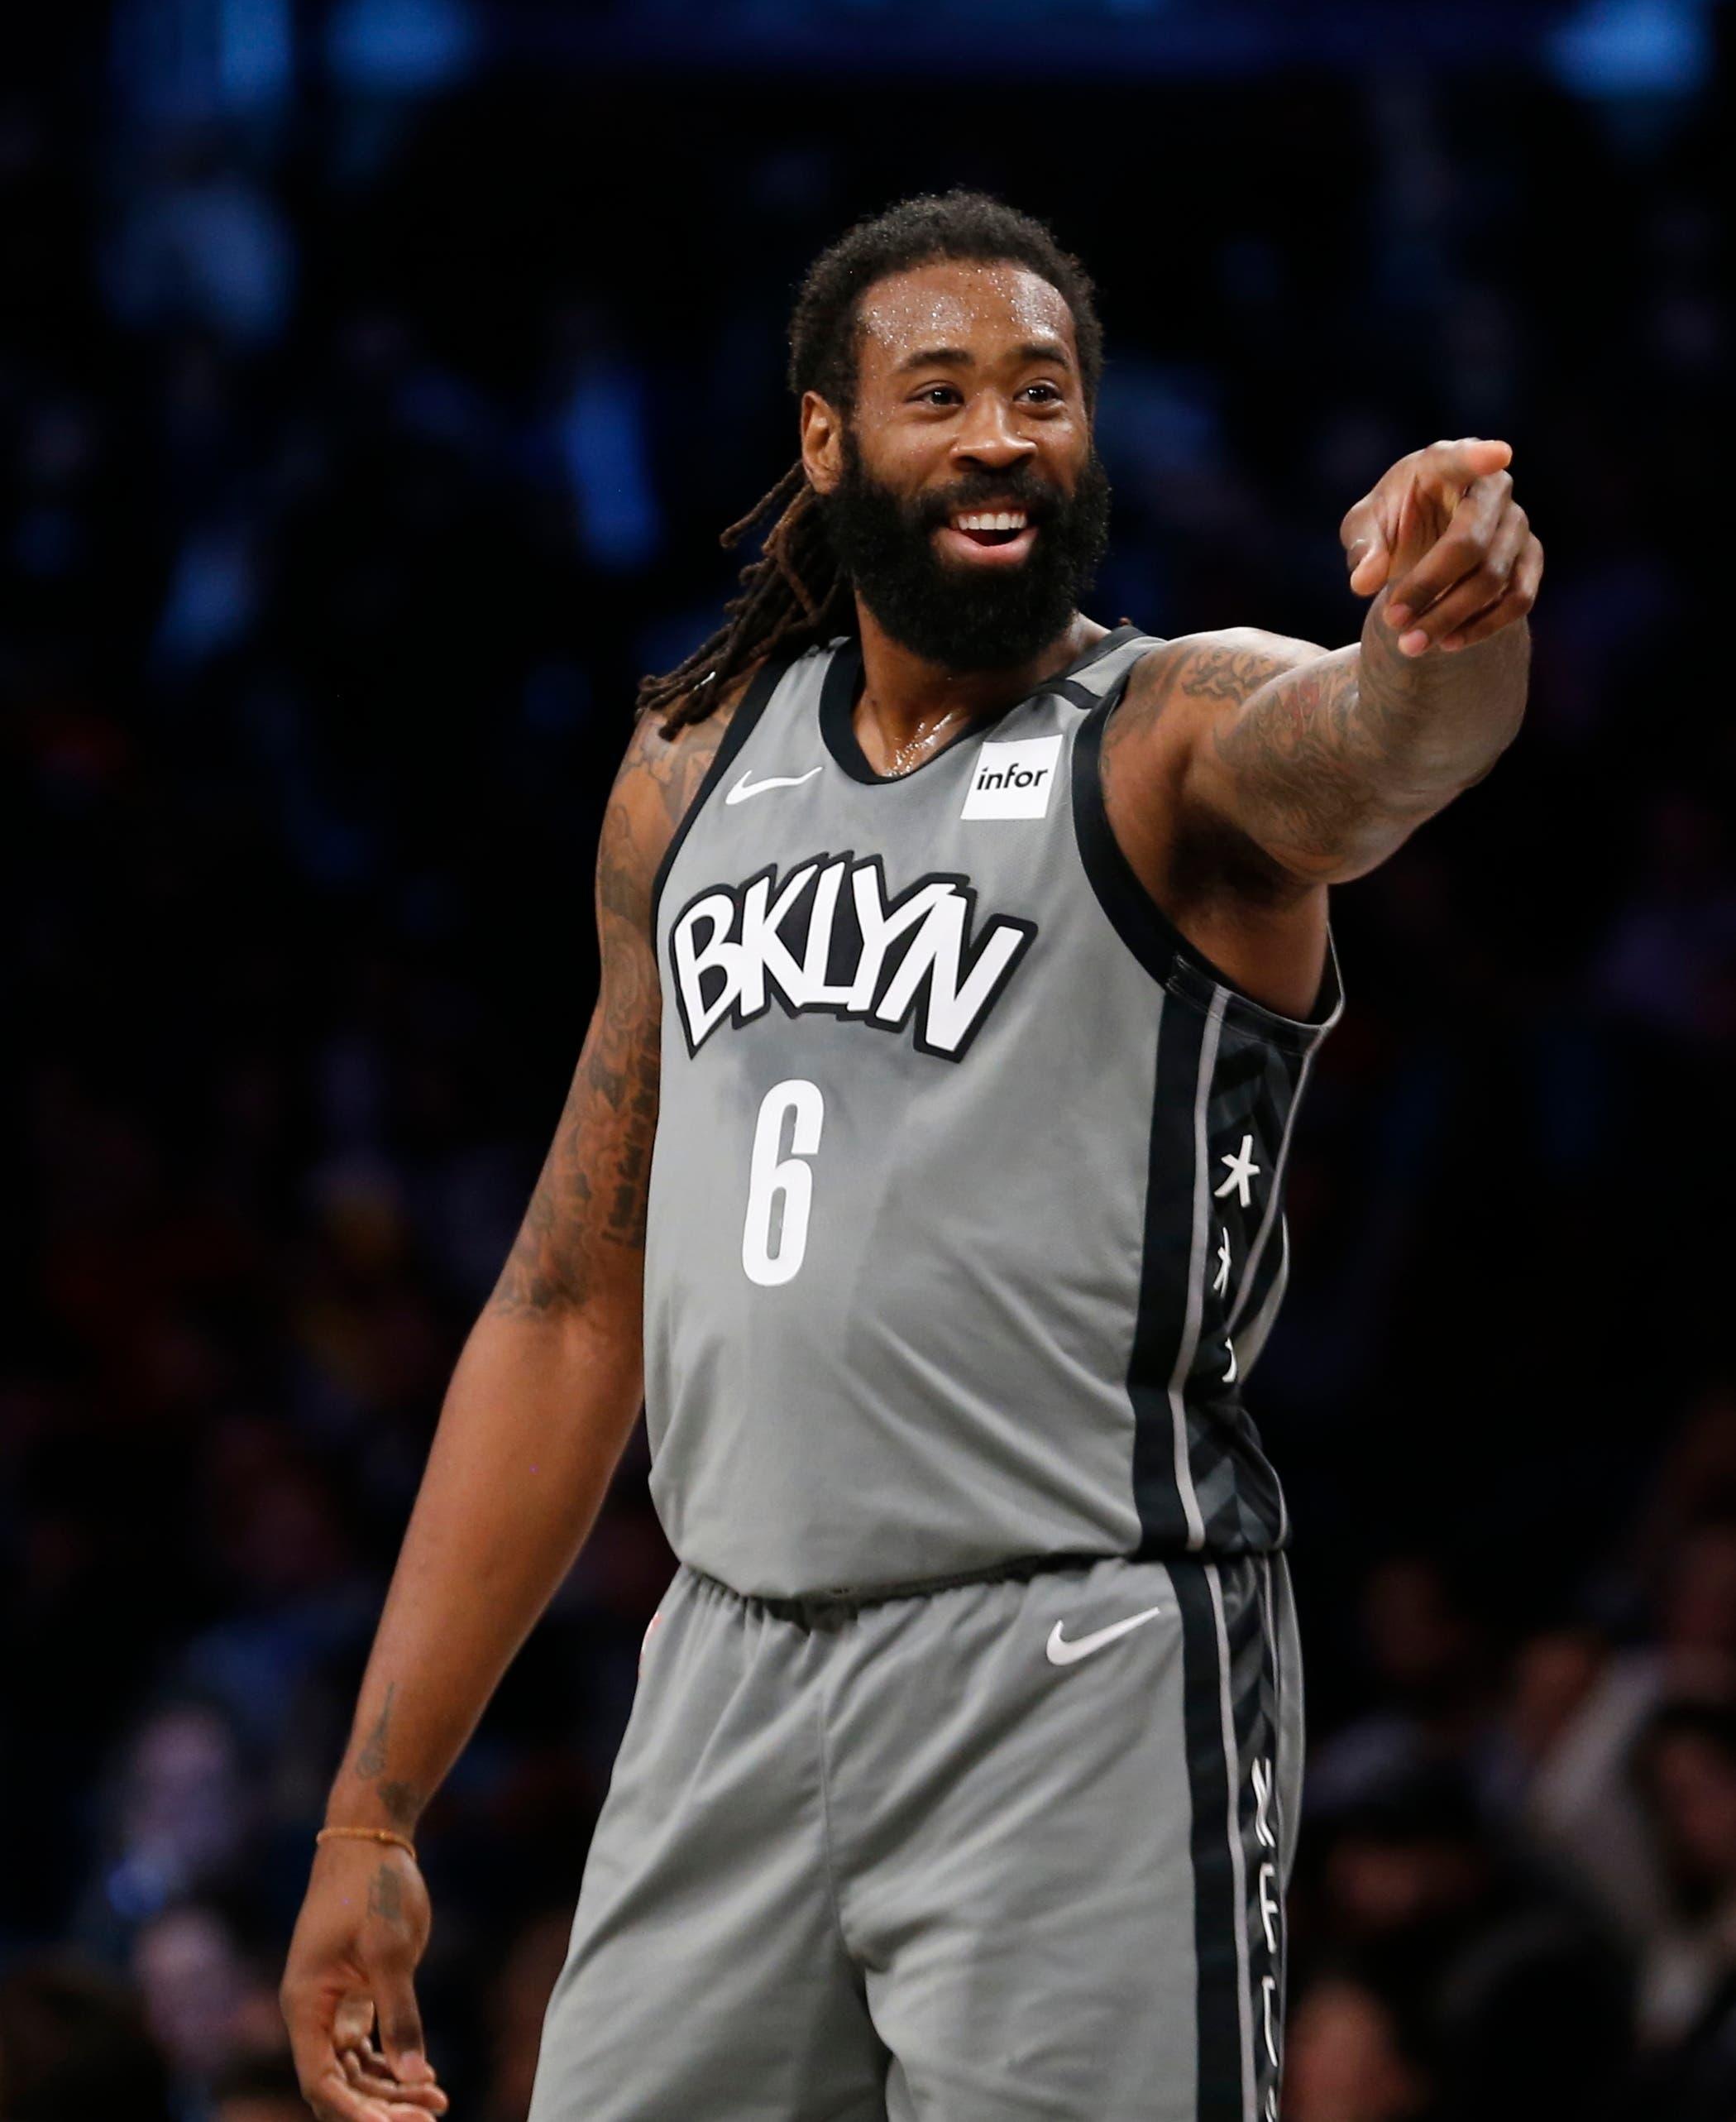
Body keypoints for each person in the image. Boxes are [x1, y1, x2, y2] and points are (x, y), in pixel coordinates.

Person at [280, 192, 1541, 2122]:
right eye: (937, 390)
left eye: (1044, 392)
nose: (998, 434)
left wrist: (1448, 627)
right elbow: (560, 1303)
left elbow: (1377, 746)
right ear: (824, 441)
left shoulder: (1167, 735)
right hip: (727, 1664)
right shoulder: (692, 769)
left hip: (1077, 1650)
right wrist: (371, 1806)